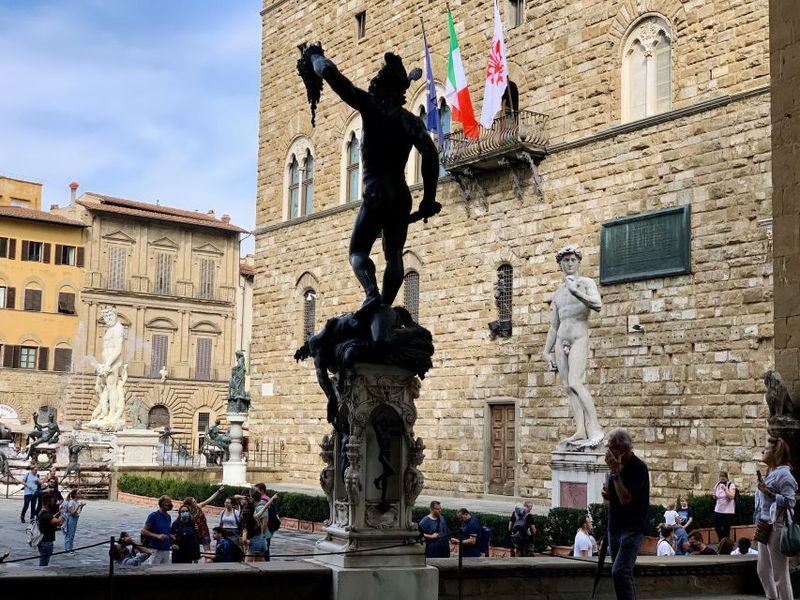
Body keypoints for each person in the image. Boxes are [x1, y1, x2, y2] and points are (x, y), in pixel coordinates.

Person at [301, 44, 441, 317]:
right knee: (395, 254)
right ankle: (384, 310)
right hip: (401, 196)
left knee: (357, 251)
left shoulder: (371, 107)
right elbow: (431, 155)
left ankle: (372, 294)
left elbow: (335, 79)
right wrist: (428, 198)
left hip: (376, 192)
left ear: (380, 86)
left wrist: (316, 59)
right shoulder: (410, 121)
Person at [542, 245, 604, 448]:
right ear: (560, 265)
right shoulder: (558, 294)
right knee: (568, 387)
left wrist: (576, 291)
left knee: (577, 382)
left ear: (578, 262)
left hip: (578, 337)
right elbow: (553, 326)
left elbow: (597, 304)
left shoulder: (585, 283)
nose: (569, 264)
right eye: (565, 261)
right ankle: (580, 430)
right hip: (561, 340)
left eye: (572, 260)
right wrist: (546, 351)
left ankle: (595, 428)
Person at [602, 428, 649, 600]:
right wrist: (608, 493)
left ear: (623, 449)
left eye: (611, 447)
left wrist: (615, 472)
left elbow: (625, 499)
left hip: (632, 528)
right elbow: (614, 496)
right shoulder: (615, 466)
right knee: (622, 574)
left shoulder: (638, 468)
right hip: (615, 526)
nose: (608, 451)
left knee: (620, 572)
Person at [755, 436, 797, 600]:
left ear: (775, 452)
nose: (763, 451)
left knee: (780, 573)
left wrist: (768, 492)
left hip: (777, 526)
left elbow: (791, 501)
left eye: (766, 449)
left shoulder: (784, 475)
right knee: (763, 569)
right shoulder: (770, 472)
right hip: (765, 524)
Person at [184, 485, 224, 559]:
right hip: (194, 534)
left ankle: (207, 567)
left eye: (195, 500)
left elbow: (209, 499)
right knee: (194, 554)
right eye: (193, 501)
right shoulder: (187, 513)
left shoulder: (199, 506)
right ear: (190, 504)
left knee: (207, 553)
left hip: (204, 532)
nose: (195, 502)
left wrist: (219, 491)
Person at [141, 495, 173, 564]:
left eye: (170, 502)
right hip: (156, 550)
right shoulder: (154, 516)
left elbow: (165, 530)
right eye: (168, 502)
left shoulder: (168, 517)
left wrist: (170, 536)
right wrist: (157, 536)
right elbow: (143, 531)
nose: (170, 504)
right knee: (154, 571)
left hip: (166, 550)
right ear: (161, 504)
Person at [37, 493, 64, 566]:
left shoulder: (41, 512)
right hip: (46, 542)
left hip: (42, 540)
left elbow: (51, 518)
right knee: (44, 562)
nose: (54, 503)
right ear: (48, 503)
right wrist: (62, 513)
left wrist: (58, 513)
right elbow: (59, 522)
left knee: (43, 559)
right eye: (53, 502)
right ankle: (42, 575)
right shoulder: (46, 516)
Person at [240, 490, 267, 562]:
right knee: (261, 564)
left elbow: (244, 540)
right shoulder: (255, 517)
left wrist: (247, 542)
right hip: (262, 541)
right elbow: (264, 508)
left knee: (247, 565)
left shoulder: (246, 525)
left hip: (254, 543)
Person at [253, 482, 278, 560]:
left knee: (264, 552)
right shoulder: (267, 498)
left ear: (262, 491)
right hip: (268, 530)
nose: (255, 493)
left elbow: (264, 520)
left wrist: (262, 533)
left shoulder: (263, 501)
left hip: (264, 531)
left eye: (257, 491)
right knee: (265, 551)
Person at [712, 471, 737, 541]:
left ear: (726, 477)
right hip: (718, 509)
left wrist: (725, 489)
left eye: (723, 477)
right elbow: (714, 494)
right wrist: (714, 496)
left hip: (728, 511)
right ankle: (722, 541)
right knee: (717, 527)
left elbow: (732, 496)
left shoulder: (731, 485)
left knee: (726, 529)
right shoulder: (717, 484)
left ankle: (726, 544)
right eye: (721, 477)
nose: (722, 478)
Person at [62, 489, 86, 554]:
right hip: (71, 518)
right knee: (69, 534)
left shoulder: (76, 502)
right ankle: (67, 549)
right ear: (75, 495)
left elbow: (78, 512)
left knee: (72, 534)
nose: (80, 494)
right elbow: (72, 512)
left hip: (75, 518)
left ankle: (70, 548)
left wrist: (81, 507)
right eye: (78, 493)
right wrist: (78, 506)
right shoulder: (71, 502)